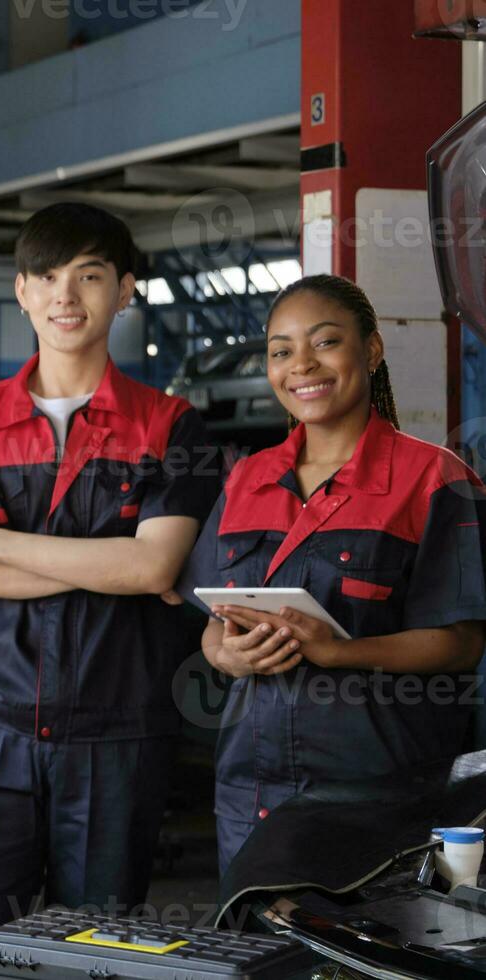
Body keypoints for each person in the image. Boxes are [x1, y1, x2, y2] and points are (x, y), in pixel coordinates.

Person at [0, 203, 219, 951]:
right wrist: (105, 565)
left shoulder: (171, 426)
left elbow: (153, 565)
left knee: (96, 956)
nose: (65, 297)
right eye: (47, 277)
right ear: (21, 291)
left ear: (124, 291)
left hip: (115, 737)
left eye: (89, 276)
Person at [179, 274, 486, 876]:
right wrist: (227, 656)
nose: (302, 365)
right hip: (254, 792)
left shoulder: (434, 480)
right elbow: (213, 626)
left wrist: (338, 652)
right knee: (256, 962)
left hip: (380, 793)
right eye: (282, 350)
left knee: (367, 965)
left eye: (325, 342)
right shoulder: (246, 480)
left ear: (370, 350)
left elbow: (461, 644)